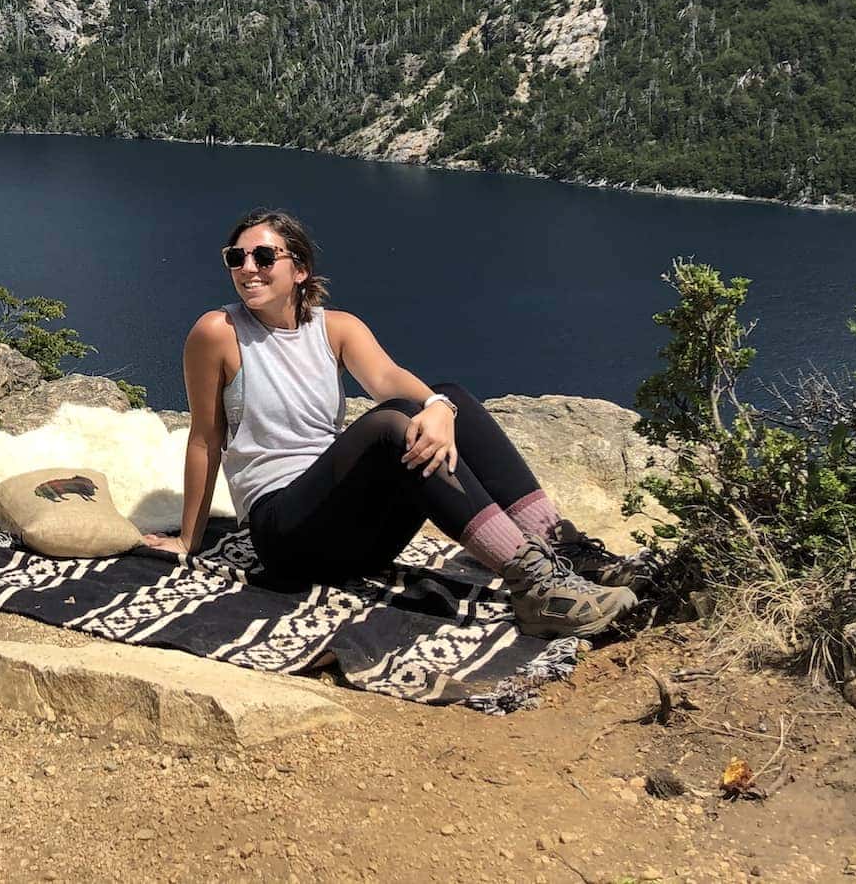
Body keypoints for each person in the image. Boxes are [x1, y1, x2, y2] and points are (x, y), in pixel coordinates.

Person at [139, 208, 637, 638]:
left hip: (359, 538)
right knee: (391, 425)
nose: (248, 268)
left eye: (264, 257)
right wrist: (189, 539)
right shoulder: (217, 332)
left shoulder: (337, 329)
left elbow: (387, 378)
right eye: (236, 257)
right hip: (286, 534)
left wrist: (441, 407)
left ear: (300, 270)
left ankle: (567, 551)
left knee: (450, 398)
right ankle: (535, 587)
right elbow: (206, 438)